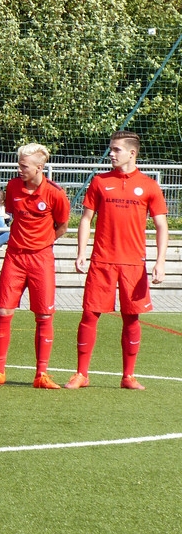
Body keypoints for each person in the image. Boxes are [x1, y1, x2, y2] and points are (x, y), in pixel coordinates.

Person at [66, 131, 168, 391]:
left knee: (131, 319)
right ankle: (81, 374)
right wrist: (81, 252)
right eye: (110, 149)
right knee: (89, 315)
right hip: (102, 261)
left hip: (134, 264)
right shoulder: (100, 181)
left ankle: (128, 376)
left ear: (132, 153)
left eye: (116, 150)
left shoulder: (149, 185)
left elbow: (161, 225)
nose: (111, 154)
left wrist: (160, 261)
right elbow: (86, 219)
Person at [0, 144, 70, 389]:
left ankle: (42, 374)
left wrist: (43, 242)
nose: (19, 169)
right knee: (3, 311)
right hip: (15, 258)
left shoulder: (55, 193)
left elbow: (62, 226)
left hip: (41, 259)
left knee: (44, 315)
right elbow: (13, 214)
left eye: (24, 165)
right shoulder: (12, 187)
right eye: (19, 164)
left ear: (39, 168)